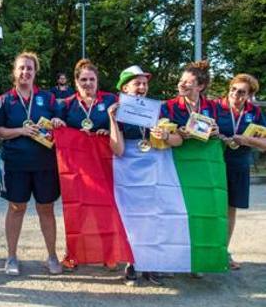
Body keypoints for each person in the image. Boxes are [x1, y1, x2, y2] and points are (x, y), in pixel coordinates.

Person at [108, 65, 183, 286]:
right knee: (132, 217)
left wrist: (167, 136)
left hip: (155, 167)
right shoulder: (118, 110)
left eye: (144, 83)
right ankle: (132, 262)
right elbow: (118, 149)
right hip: (128, 168)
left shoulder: (158, 108)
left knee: (155, 215)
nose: (142, 87)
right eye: (137, 83)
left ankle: (153, 263)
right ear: (125, 88)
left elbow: (178, 141)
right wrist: (112, 120)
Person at [0, 52, 65, 277]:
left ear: (35, 72)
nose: (25, 72)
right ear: (14, 72)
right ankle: (12, 256)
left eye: (29, 68)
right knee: (17, 208)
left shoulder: (48, 98)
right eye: (21, 68)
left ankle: (52, 256)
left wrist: (56, 121)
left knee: (46, 209)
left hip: (45, 163)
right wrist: (21, 131)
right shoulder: (5, 100)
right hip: (15, 163)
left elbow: (61, 121)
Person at [56, 58, 117, 271]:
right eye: (83, 80)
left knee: (105, 210)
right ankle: (72, 252)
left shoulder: (110, 101)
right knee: (76, 210)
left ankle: (108, 253)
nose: (88, 83)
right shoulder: (66, 104)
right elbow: (57, 127)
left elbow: (120, 128)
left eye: (91, 79)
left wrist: (109, 132)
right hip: (76, 168)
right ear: (75, 82)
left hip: (102, 166)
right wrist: (58, 124)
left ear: (97, 80)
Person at [160, 60, 219, 279]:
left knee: (201, 212)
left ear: (200, 86)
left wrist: (216, 130)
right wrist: (177, 135)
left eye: (188, 82)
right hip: (175, 165)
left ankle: (198, 260)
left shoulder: (213, 107)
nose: (181, 85)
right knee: (174, 213)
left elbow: (222, 133)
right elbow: (161, 133)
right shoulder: (168, 106)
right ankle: (173, 260)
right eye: (181, 80)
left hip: (203, 167)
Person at [214, 74, 266, 270]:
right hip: (215, 163)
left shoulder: (254, 112)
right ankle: (205, 252)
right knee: (211, 208)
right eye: (233, 89)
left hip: (238, 165)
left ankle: (223, 253)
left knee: (230, 210)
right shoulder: (216, 107)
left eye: (241, 92)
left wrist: (247, 140)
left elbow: (264, 143)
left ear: (250, 95)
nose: (235, 94)